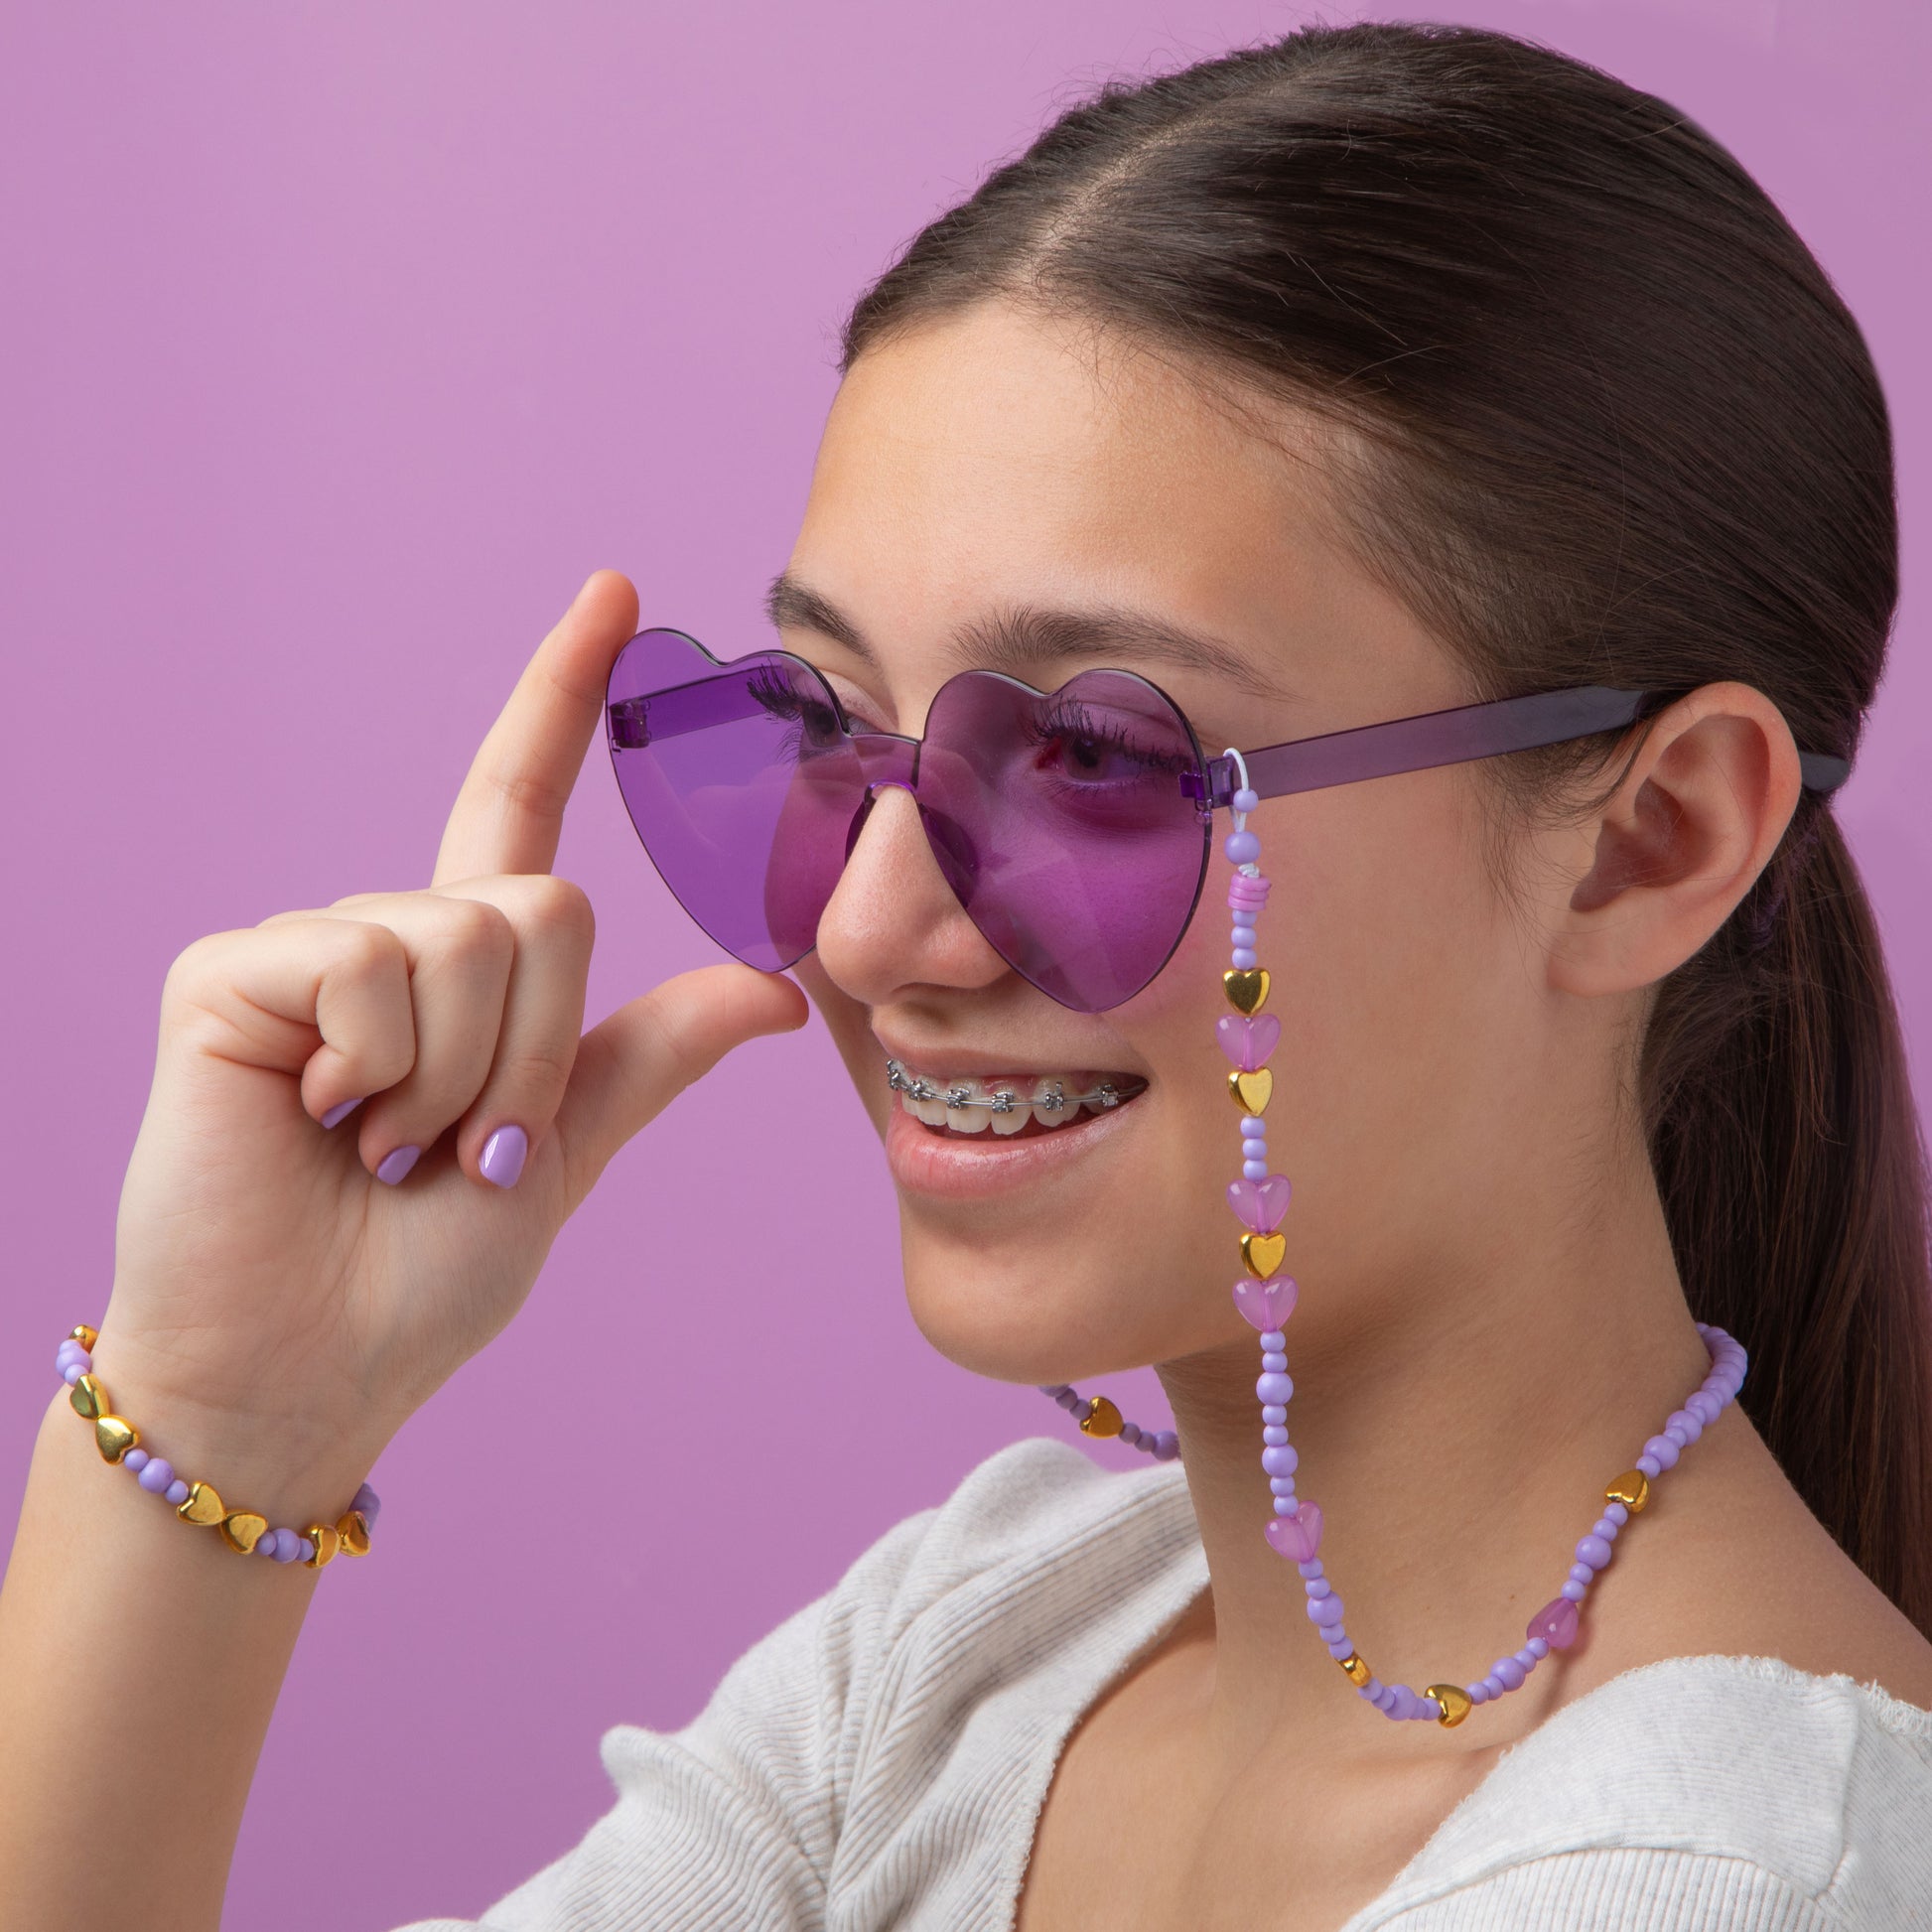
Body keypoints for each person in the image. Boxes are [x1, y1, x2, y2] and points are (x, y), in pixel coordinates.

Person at [5, 19, 1932, 1931]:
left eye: (1097, 757)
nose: (865, 929)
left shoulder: (1724, 1875)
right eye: (828, 726)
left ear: (1651, 836)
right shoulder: (976, 1654)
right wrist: (219, 1419)